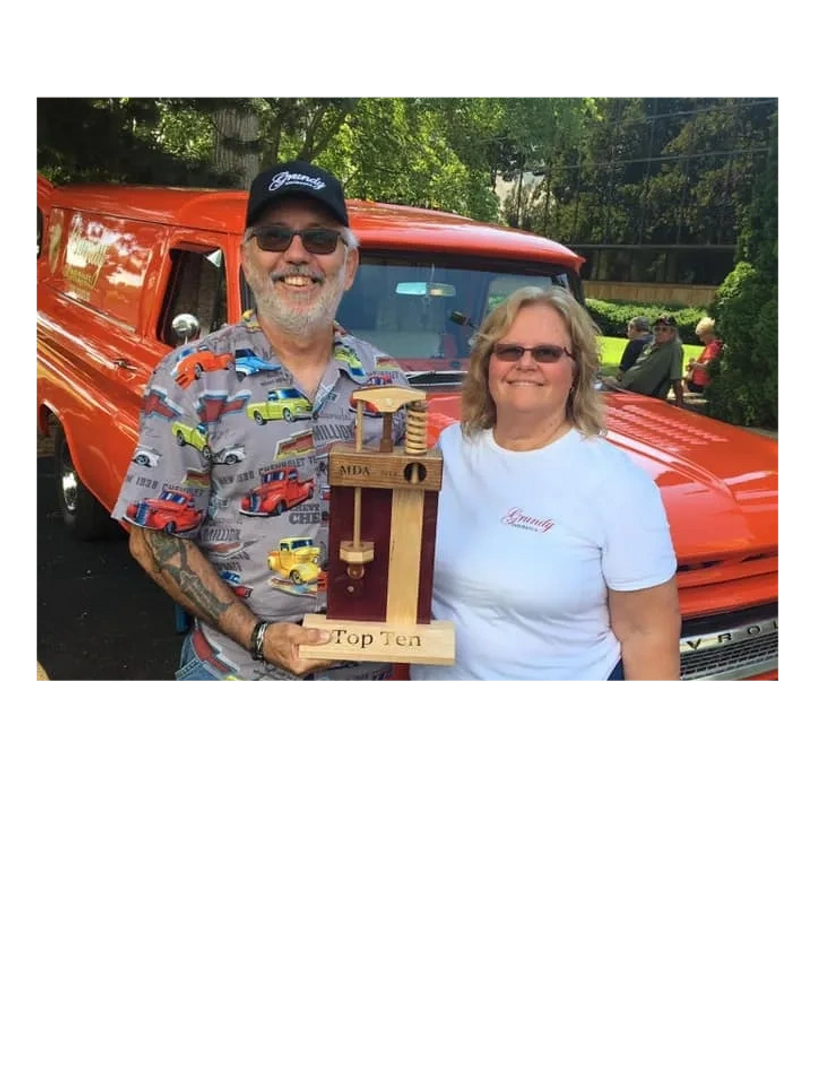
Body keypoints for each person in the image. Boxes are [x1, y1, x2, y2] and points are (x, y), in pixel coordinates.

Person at [111, 160, 411, 683]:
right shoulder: (194, 379)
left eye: (320, 238)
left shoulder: (388, 383)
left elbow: (411, 522)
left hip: (364, 674)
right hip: (235, 670)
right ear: (248, 260)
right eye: (274, 237)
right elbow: (155, 538)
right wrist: (258, 635)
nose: (297, 254)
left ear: (350, 264)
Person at [409, 286, 681, 684]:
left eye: (547, 353)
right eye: (509, 351)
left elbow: (648, 633)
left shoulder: (619, 484)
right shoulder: (449, 451)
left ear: (576, 371)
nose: (526, 363)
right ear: (488, 365)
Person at [685, 316, 722, 393]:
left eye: (702, 336)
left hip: (700, 384)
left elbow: (706, 367)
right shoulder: (718, 344)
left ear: (709, 333)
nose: (701, 340)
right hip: (704, 383)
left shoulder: (712, 347)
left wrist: (693, 364)